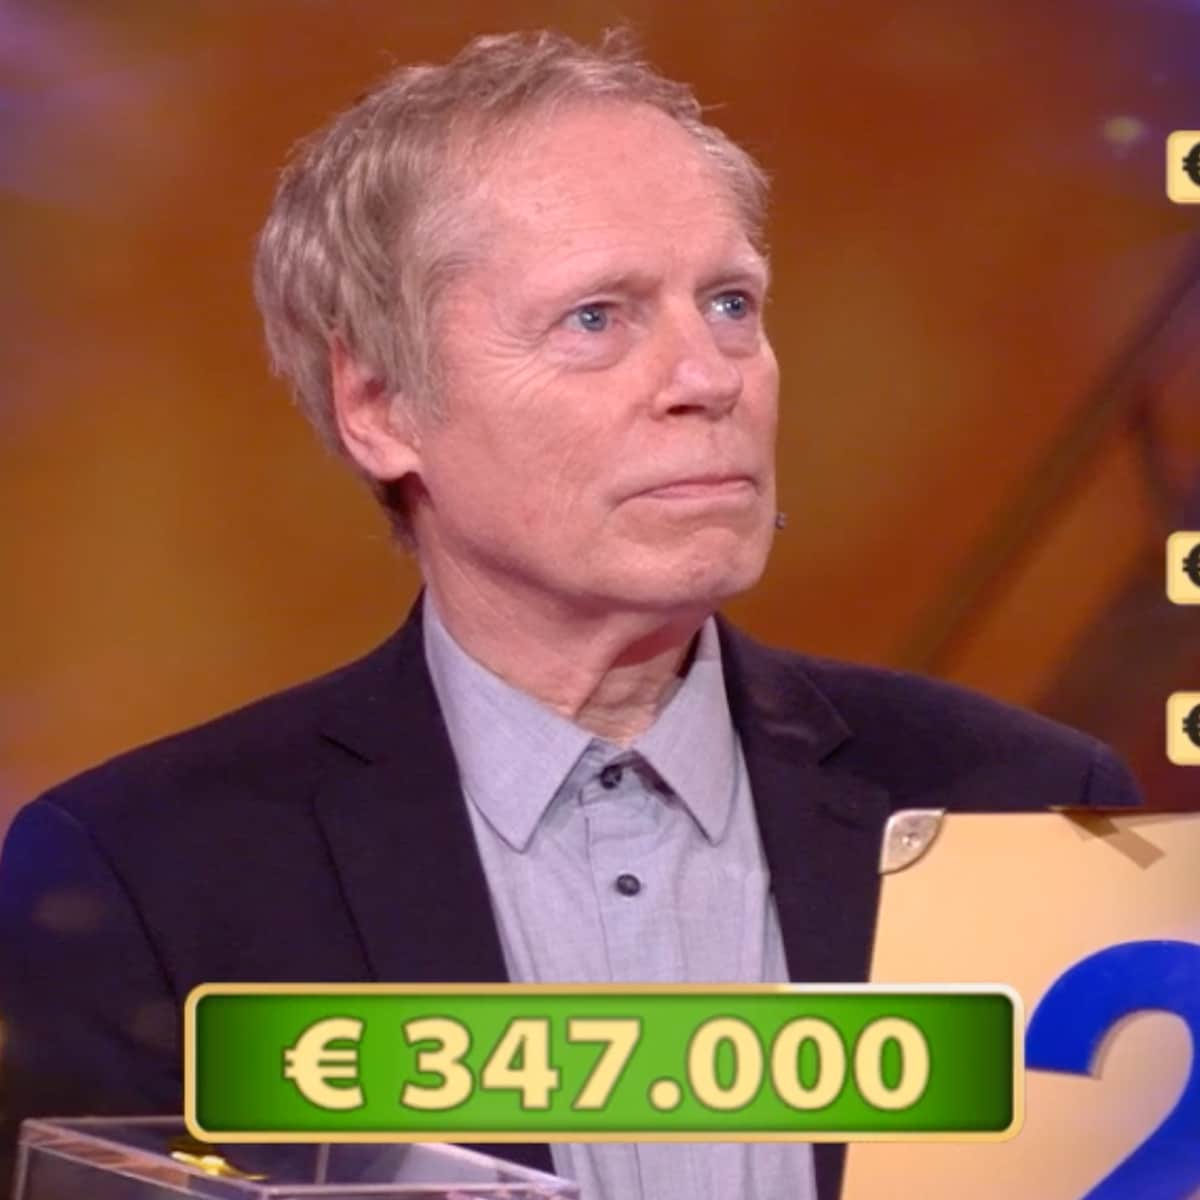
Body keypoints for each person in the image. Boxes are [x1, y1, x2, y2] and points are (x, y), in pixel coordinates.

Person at [0, 28, 1141, 1200]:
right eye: (597, 318)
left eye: (731, 303)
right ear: (380, 405)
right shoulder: (145, 879)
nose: (709, 378)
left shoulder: (1030, 807)